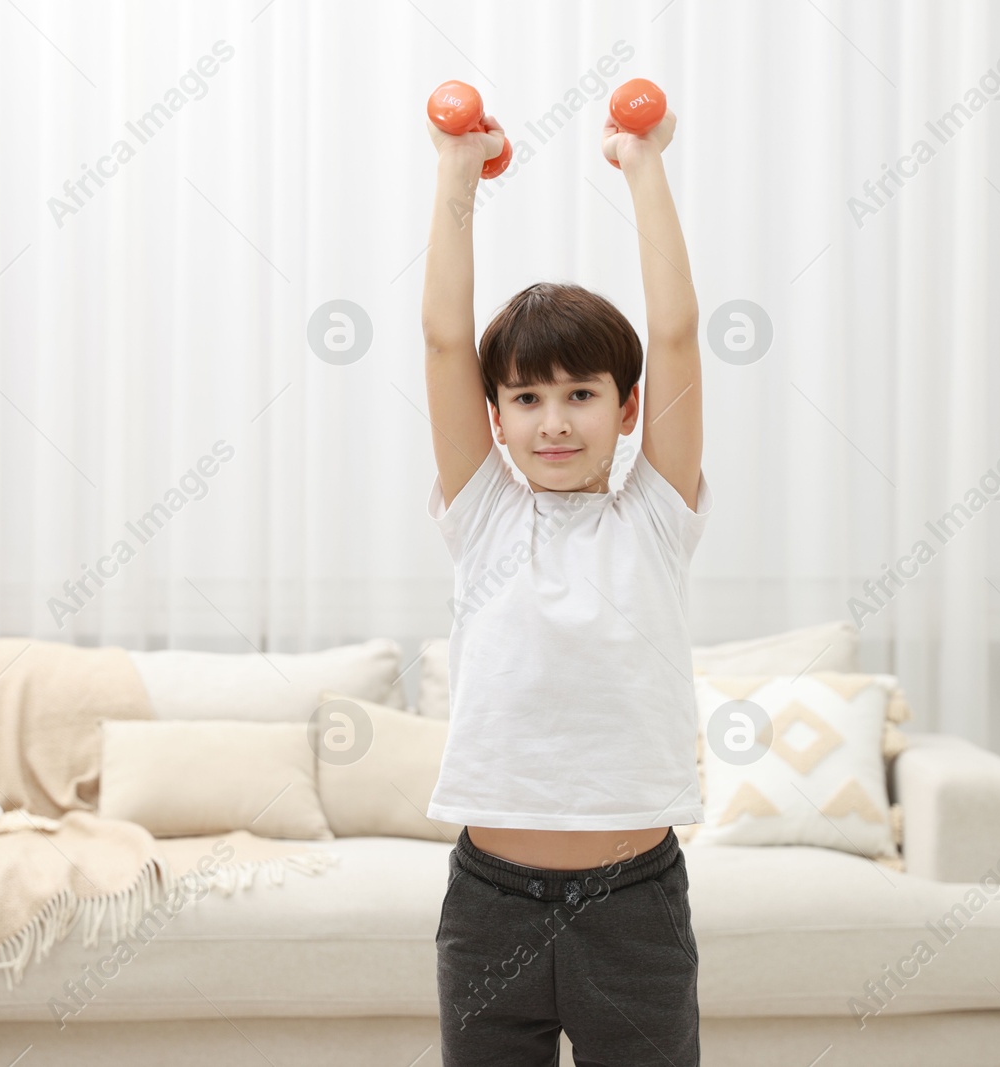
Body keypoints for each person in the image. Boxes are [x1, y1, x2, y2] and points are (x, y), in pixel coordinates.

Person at [421, 98, 712, 1067]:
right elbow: (440, 341)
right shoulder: (485, 512)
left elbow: (675, 332)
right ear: (495, 415)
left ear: (627, 409)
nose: (554, 420)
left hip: (633, 903)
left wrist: (641, 163)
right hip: (490, 900)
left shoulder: (656, 517)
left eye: (581, 393)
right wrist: (457, 175)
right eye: (527, 397)